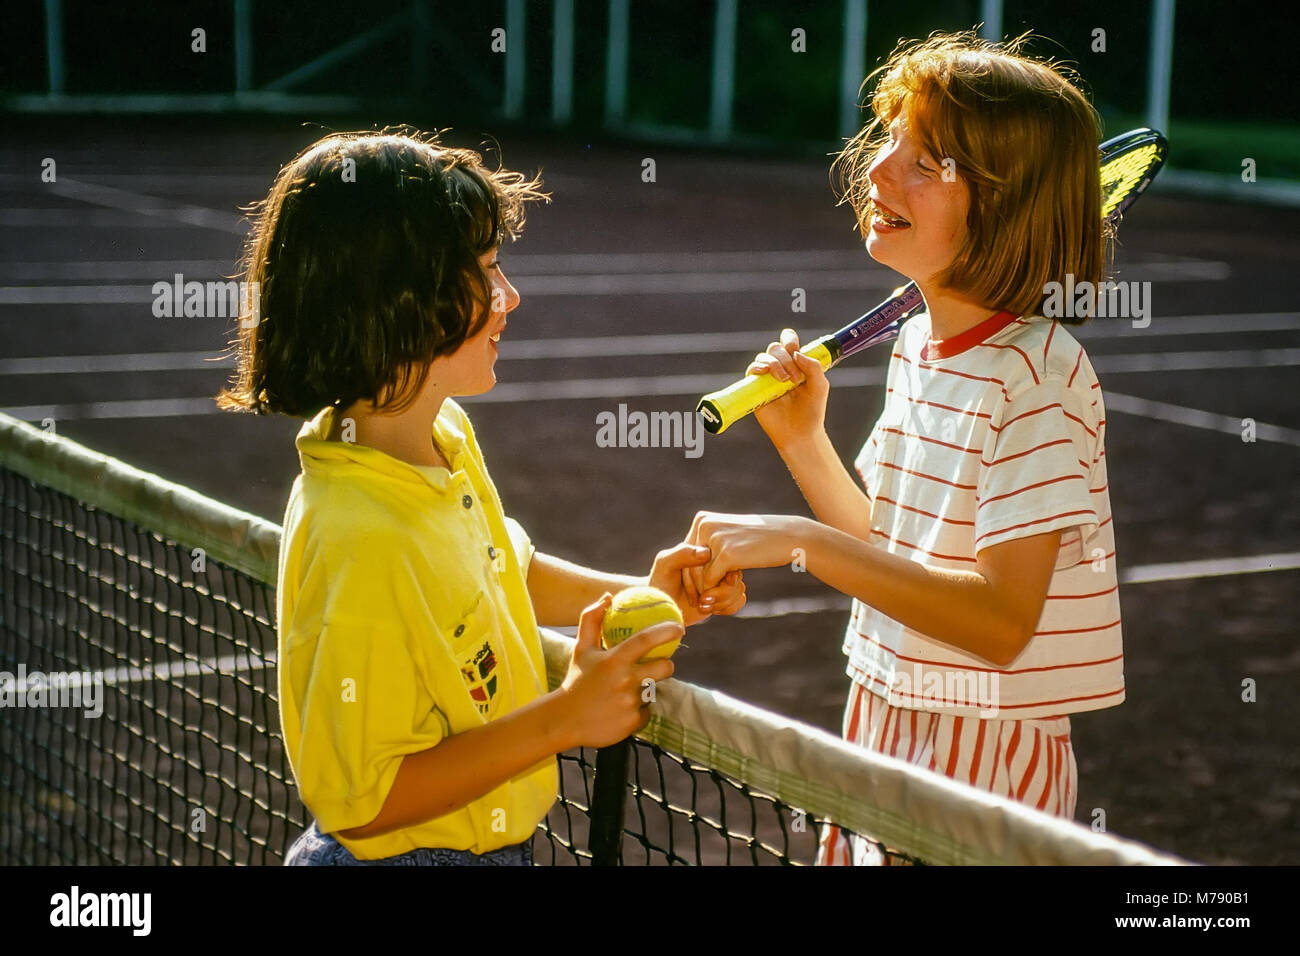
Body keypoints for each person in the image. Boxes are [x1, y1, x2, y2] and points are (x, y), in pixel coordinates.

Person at [216, 129, 745, 865]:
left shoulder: (444, 436)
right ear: (401, 299)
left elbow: (501, 573)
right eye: (488, 272)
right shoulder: (362, 533)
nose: (511, 297)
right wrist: (566, 719)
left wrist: (645, 593)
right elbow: (364, 804)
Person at [683, 33, 1124, 865]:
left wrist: (801, 542)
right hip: (882, 713)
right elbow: (888, 552)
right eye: (890, 141)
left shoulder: (1042, 373)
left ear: (1005, 206)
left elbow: (996, 624)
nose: (878, 170)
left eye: (926, 162)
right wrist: (804, 441)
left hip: (981, 746)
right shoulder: (919, 342)